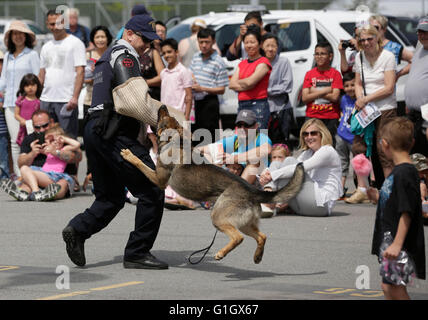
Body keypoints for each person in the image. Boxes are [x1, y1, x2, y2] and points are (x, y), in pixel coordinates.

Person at [62, 14, 168, 270]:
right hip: (115, 133)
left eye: (151, 41)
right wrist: (164, 124)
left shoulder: (108, 54)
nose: (147, 45)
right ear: (130, 33)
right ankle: (137, 252)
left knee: (110, 198)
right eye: (145, 39)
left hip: (95, 129)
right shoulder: (126, 55)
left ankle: (77, 229)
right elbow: (133, 102)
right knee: (152, 189)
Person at [368, 117, 425, 300]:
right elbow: (394, 202)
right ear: (412, 142)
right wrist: (376, 196)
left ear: (384, 145)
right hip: (390, 239)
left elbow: (406, 211)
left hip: (398, 242)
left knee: (395, 287)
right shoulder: (399, 171)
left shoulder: (404, 173)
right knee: (388, 286)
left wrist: (397, 244)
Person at [260, 118, 342, 217]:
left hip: (321, 205)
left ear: (321, 134)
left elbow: (299, 168)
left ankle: (267, 201)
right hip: (303, 205)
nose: (309, 137)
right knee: (277, 163)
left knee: (290, 162)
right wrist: (266, 172)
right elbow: (287, 168)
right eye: (305, 134)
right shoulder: (308, 153)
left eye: (313, 133)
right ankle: (270, 202)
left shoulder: (327, 151)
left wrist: (271, 175)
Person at [0, 110, 82, 201]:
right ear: (32, 126)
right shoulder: (29, 139)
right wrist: (32, 154)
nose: (41, 129)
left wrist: (56, 152)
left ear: (51, 122)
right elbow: (20, 163)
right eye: (37, 127)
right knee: (28, 181)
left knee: (61, 184)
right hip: (38, 175)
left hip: (61, 175)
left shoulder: (60, 136)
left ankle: (45, 194)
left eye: (45, 125)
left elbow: (78, 156)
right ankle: (23, 193)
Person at [353, 25, 397, 191]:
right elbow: (357, 83)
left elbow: (389, 87)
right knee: (358, 146)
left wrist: (366, 99)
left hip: (385, 107)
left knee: (384, 148)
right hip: (366, 109)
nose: (366, 43)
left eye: (369, 39)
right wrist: (359, 100)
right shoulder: (359, 57)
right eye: (362, 40)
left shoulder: (388, 56)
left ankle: (389, 189)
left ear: (377, 38)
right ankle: (362, 189)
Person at [0, 20, 40, 177]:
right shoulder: (8, 56)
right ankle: (19, 176)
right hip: (10, 104)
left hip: (29, 104)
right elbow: (3, 79)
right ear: (10, 37)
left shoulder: (32, 54)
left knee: (30, 139)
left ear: (26, 36)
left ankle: (32, 173)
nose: (17, 37)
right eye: (14, 34)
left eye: (20, 34)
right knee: (14, 142)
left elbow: (37, 79)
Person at [18, 124, 80, 201]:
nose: (55, 142)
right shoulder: (48, 149)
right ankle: (26, 193)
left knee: (29, 173)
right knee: (25, 168)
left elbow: (77, 144)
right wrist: (35, 148)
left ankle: (35, 192)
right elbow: (38, 149)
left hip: (55, 176)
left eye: (57, 139)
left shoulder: (64, 149)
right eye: (52, 140)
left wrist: (63, 138)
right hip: (44, 173)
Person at [189, 28, 228, 144]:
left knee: (210, 139)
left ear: (213, 42)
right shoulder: (196, 57)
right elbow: (190, 73)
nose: (204, 45)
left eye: (207, 42)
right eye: (201, 42)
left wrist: (202, 89)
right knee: (196, 138)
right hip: (195, 103)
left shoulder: (218, 61)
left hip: (209, 103)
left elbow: (221, 89)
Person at [229, 30, 271, 130]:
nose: (249, 45)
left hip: (258, 104)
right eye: (246, 43)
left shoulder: (264, 62)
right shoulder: (242, 63)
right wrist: (247, 83)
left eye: (252, 42)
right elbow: (231, 84)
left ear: (260, 44)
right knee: (242, 139)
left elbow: (250, 82)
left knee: (258, 138)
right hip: (242, 104)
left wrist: (243, 82)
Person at [302, 42, 343, 144]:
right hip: (312, 116)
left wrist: (313, 90)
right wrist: (326, 90)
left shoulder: (335, 74)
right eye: (317, 54)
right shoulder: (309, 74)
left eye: (322, 54)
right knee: (311, 145)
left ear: (330, 56)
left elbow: (335, 97)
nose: (319, 57)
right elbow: (305, 98)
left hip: (330, 116)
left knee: (328, 145)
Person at [262, 33, 293, 144]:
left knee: (280, 145)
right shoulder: (258, 62)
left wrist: (265, 91)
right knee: (262, 144)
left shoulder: (283, 62)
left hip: (281, 109)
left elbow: (287, 86)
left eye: (273, 46)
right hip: (262, 109)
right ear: (262, 46)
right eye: (267, 46)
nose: (270, 49)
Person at [404, 17, 428, 158]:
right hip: (413, 112)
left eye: (426, 32)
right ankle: (421, 180)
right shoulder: (420, 49)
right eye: (420, 32)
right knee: (417, 153)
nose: (422, 35)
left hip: (426, 111)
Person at [369, 15, 413, 80]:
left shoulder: (394, 47)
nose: (372, 30)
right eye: (370, 28)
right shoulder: (366, 46)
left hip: (388, 87)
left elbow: (415, 61)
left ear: (384, 29)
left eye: (375, 27)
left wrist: (398, 74)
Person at [83, 26, 113, 119]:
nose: (100, 40)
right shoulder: (88, 55)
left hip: (110, 101)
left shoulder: (113, 55)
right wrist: (96, 74)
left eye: (103, 37)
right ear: (93, 39)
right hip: (90, 100)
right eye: (97, 37)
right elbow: (87, 79)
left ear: (108, 38)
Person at [335, 72, 356, 199]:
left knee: (357, 164)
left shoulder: (360, 99)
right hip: (341, 135)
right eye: (347, 86)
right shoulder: (343, 99)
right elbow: (342, 112)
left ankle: (361, 188)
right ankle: (340, 189)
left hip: (354, 137)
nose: (350, 88)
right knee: (341, 162)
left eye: (352, 85)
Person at [14, 74, 42, 146]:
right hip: (24, 128)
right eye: (27, 85)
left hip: (36, 128)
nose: (30, 88)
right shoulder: (21, 99)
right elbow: (16, 114)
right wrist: (22, 120)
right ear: (23, 87)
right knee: (24, 145)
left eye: (33, 85)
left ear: (37, 86)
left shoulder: (39, 101)